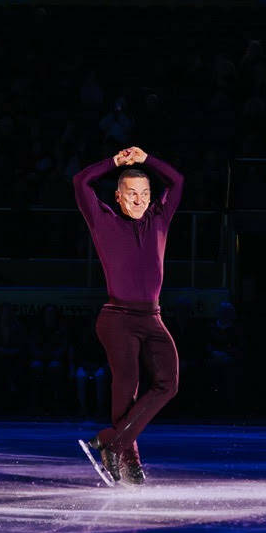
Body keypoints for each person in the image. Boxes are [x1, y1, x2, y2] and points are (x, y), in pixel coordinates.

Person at [73, 145, 183, 485]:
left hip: (152, 316)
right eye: (131, 194)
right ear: (118, 197)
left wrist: (148, 159)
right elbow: (80, 182)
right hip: (117, 317)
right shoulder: (103, 220)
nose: (139, 200)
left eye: (145, 194)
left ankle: (113, 442)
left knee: (169, 382)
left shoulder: (160, 218)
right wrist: (114, 162)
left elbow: (177, 181)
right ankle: (129, 459)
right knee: (128, 386)